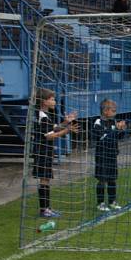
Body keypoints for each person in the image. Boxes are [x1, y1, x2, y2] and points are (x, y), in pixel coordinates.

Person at [32, 88, 79, 218]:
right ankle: (44, 210)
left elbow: (54, 128)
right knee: (44, 180)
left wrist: (66, 122)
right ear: (44, 102)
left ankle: (47, 208)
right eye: (52, 99)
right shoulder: (42, 116)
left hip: (45, 151)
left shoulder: (45, 115)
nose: (54, 101)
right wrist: (67, 130)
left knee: (46, 179)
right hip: (42, 152)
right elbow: (49, 136)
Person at [93, 99, 126, 211]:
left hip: (112, 155)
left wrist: (121, 130)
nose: (115, 113)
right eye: (113, 110)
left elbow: (119, 137)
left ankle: (112, 201)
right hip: (102, 155)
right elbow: (103, 138)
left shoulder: (113, 122)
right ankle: (100, 203)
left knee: (112, 179)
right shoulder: (98, 122)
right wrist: (115, 130)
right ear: (105, 111)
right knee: (102, 179)